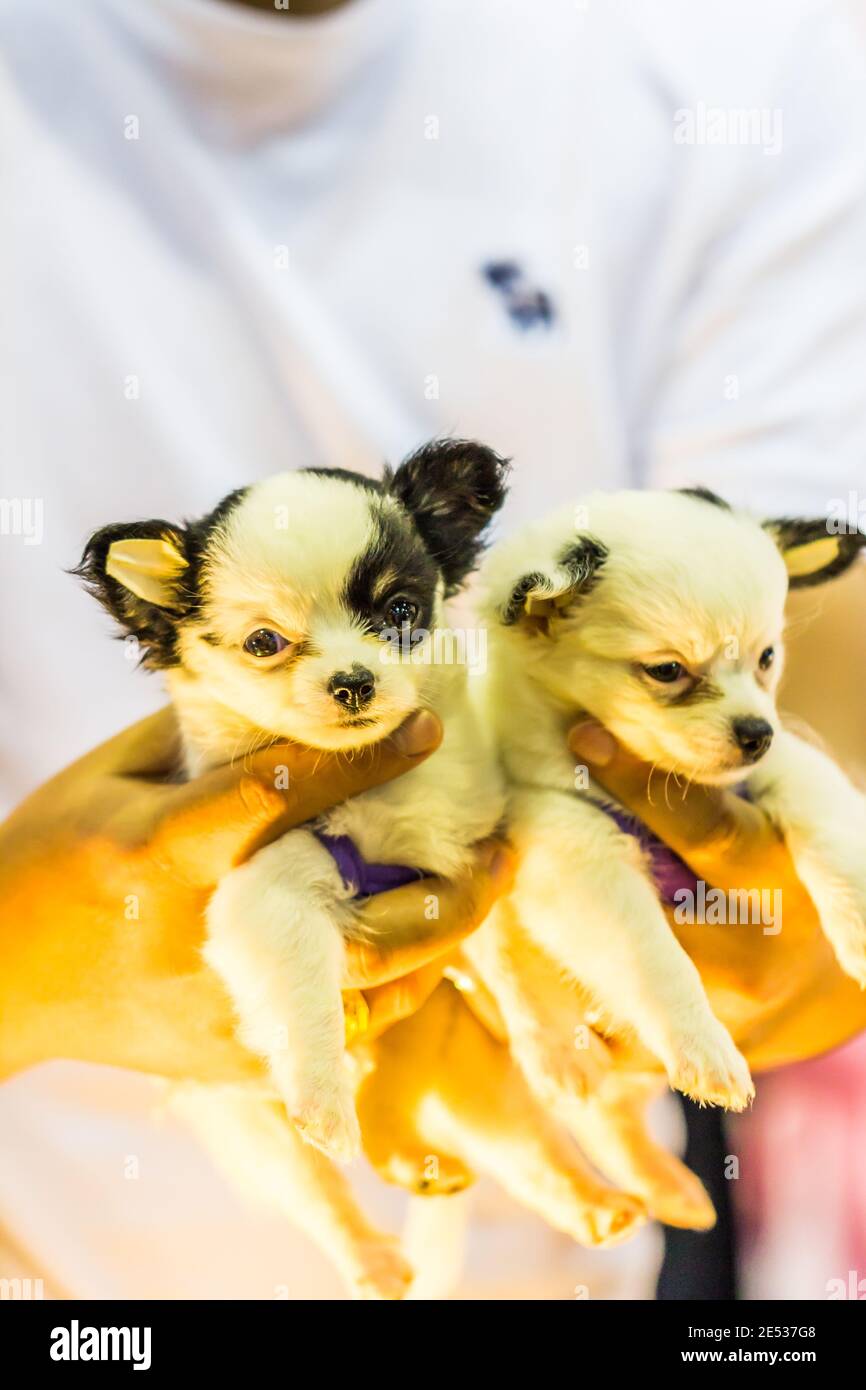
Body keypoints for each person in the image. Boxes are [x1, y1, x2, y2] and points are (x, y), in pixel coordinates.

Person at [2, 0, 866, 1298]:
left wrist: (783, 893)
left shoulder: (746, 50)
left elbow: (817, 668)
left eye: (392, 615)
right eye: (268, 639)